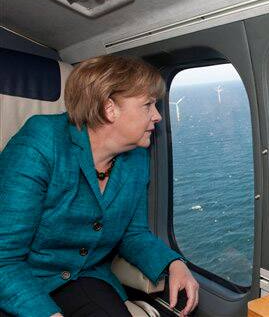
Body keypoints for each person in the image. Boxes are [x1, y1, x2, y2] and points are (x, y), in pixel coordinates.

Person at [0, 55, 199, 317]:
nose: (158, 116)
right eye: (148, 105)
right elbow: (5, 259)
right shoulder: (40, 143)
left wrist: (174, 263)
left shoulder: (137, 158)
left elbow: (133, 233)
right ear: (109, 108)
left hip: (84, 277)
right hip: (21, 279)